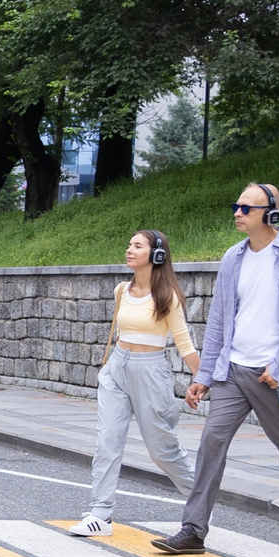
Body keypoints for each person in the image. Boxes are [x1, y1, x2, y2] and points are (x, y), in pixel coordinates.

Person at [155, 182, 279, 555]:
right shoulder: (233, 258)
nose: (237, 213)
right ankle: (193, 530)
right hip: (232, 372)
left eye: (246, 208)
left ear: (271, 214)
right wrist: (204, 375)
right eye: (236, 206)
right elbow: (220, 320)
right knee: (212, 442)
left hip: (275, 378)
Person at [72, 229, 200, 537]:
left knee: (161, 450)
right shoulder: (121, 290)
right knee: (107, 442)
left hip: (150, 371)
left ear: (157, 255)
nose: (129, 249)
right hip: (117, 367)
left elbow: (184, 343)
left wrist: (202, 379)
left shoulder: (167, 297)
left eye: (137, 246)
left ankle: (201, 501)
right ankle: (100, 515)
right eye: (129, 244)